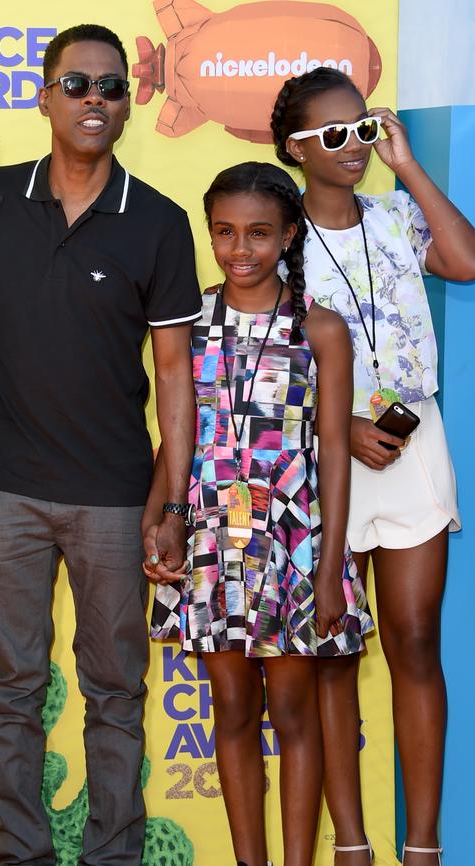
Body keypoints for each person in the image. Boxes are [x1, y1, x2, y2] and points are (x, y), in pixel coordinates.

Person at [0, 24, 201, 866]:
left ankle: (114, 856)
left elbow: (176, 378)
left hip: (115, 495)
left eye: (110, 86)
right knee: (13, 693)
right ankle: (18, 856)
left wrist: (172, 499)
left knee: (116, 694)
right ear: (44, 95)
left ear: (128, 102)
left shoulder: (161, 223)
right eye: (77, 84)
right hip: (3, 490)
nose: (94, 99)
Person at [271, 67, 475, 866]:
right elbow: (270, 358)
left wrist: (409, 166)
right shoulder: (278, 237)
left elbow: (463, 262)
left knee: (416, 639)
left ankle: (422, 847)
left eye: (361, 128)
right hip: (328, 451)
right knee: (335, 649)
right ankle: (351, 843)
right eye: (333, 135)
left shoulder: (396, 213)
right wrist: (341, 425)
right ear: (294, 148)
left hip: (413, 439)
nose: (351, 146)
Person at [143, 162, 374, 866]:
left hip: (295, 541)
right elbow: (176, 434)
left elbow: (333, 451)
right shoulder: (189, 321)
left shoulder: (321, 328)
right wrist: (162, 518)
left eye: (259, 233)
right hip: (214, 537)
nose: (240, 248)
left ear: (289, 235)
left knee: (296, 716)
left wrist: (330, 564)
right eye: (224, 232)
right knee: (233, 712)